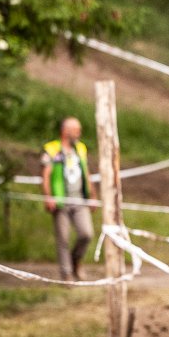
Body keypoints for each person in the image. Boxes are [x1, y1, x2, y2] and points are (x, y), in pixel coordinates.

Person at [41, 117, 97, 280]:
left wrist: (92, 195)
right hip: (61, 201)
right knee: (63, 238)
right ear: (66, 131)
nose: (79, 133)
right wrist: (48, 197)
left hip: (80, 200)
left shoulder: (80, 148)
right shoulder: (51, 149)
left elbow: (86, 172)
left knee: (86, 234)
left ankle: (75, 261)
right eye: (76, 130)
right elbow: (46, 175)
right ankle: (66, 273)